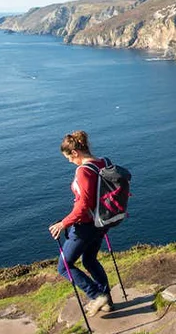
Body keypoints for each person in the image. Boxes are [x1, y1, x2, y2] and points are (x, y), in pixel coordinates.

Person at [49, 130, 113, 313]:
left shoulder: (83, 171)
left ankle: (97, 296)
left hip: (85, 226)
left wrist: (63, 224)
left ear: (75, 153)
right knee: (90, 261)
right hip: (102, 222)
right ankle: (107, 301)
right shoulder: (104, 162)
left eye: (68, 157)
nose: (69, 161)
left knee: (64, 266)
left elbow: (83, 205)